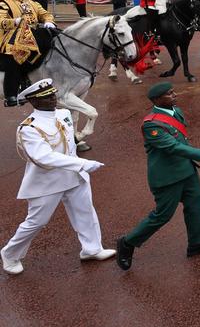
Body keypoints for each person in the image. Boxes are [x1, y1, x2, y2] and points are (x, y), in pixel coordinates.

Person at [1, 80, 115, 275]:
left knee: (85, 211)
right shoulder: (29, 128)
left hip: (73, 176)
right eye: (47, 97)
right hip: (47, 180)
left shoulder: (63, 115)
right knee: (37, 221)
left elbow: (69, 143)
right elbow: (43, 157)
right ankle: (10, 253)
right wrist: (82, 164)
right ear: (34, 102)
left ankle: (92, 248)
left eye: (53, 94)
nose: (53, 98)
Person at [116, 83, 200, 270]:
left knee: (196, 205)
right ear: (156, 100)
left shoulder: (176, 111)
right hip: (167, 177)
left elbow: (181, 141)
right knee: (163, 215)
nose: (174, 95)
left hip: (186, 170)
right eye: (169, 94)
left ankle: (198, 243)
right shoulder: (151, 125)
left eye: (173, 92)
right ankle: (128, 242)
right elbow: (173, 147)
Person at [1, 0, 57, 107]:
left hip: (33, 36)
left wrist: (49, 22)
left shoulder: (32, 3)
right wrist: (15, 21)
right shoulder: (4, 3)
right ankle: (11, 95)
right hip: (10, 39)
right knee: (13, 59)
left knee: (53, 39)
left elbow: (46, 14)